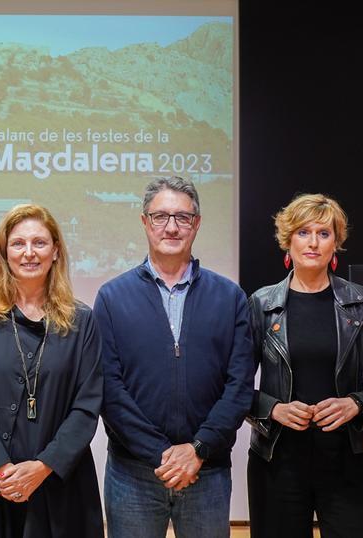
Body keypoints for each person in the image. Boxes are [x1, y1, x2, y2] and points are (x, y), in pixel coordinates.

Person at [94, 176, 255, 537]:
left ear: (196, 224)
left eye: (182, 217)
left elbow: (239, 385)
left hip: (207, 470)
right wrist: (163, 455)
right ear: (144, 222)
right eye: (160, 216)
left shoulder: (229, 298)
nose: (171, 227)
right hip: (133, 473)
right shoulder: (111, 297)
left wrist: (196, 450)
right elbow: (109, 388)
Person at [0, 204, 104, 538]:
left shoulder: (82, 322)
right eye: (18, 243)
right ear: (4, 252)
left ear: (56, 251)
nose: (29, 253)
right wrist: (3, 469)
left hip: (60, 482)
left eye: (40, 243)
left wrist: (42, 468)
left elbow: (86, 406)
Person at [245, 194, 363, 537]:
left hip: (347, 461)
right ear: (288, 241)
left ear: (336, 243)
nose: (313, 242)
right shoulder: (261, 303)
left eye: (323, 233)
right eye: (303, 232)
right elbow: (235, 387)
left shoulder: (359, 301)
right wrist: (273, 410)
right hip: (277, 461)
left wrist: (355, 403)